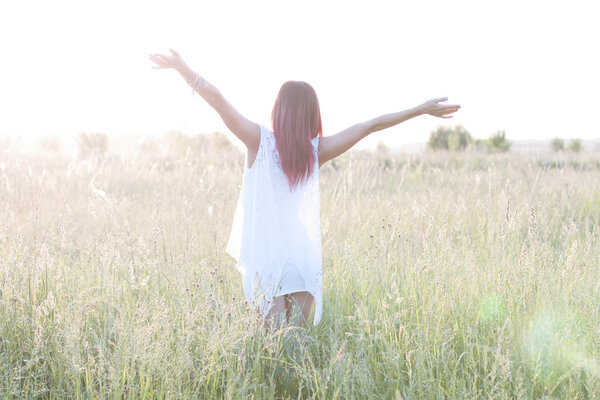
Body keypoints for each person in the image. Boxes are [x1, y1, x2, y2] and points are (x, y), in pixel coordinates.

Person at [149, 49, 460, 330]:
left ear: (279, 110)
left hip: (266, 258)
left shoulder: (259, 141)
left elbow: (217, 100)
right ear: (313, 114)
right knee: (294, 347)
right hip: (302, 258)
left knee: (271, 348)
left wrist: (182, 68)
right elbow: (370, 125)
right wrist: (419, 110)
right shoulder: (316, 151)